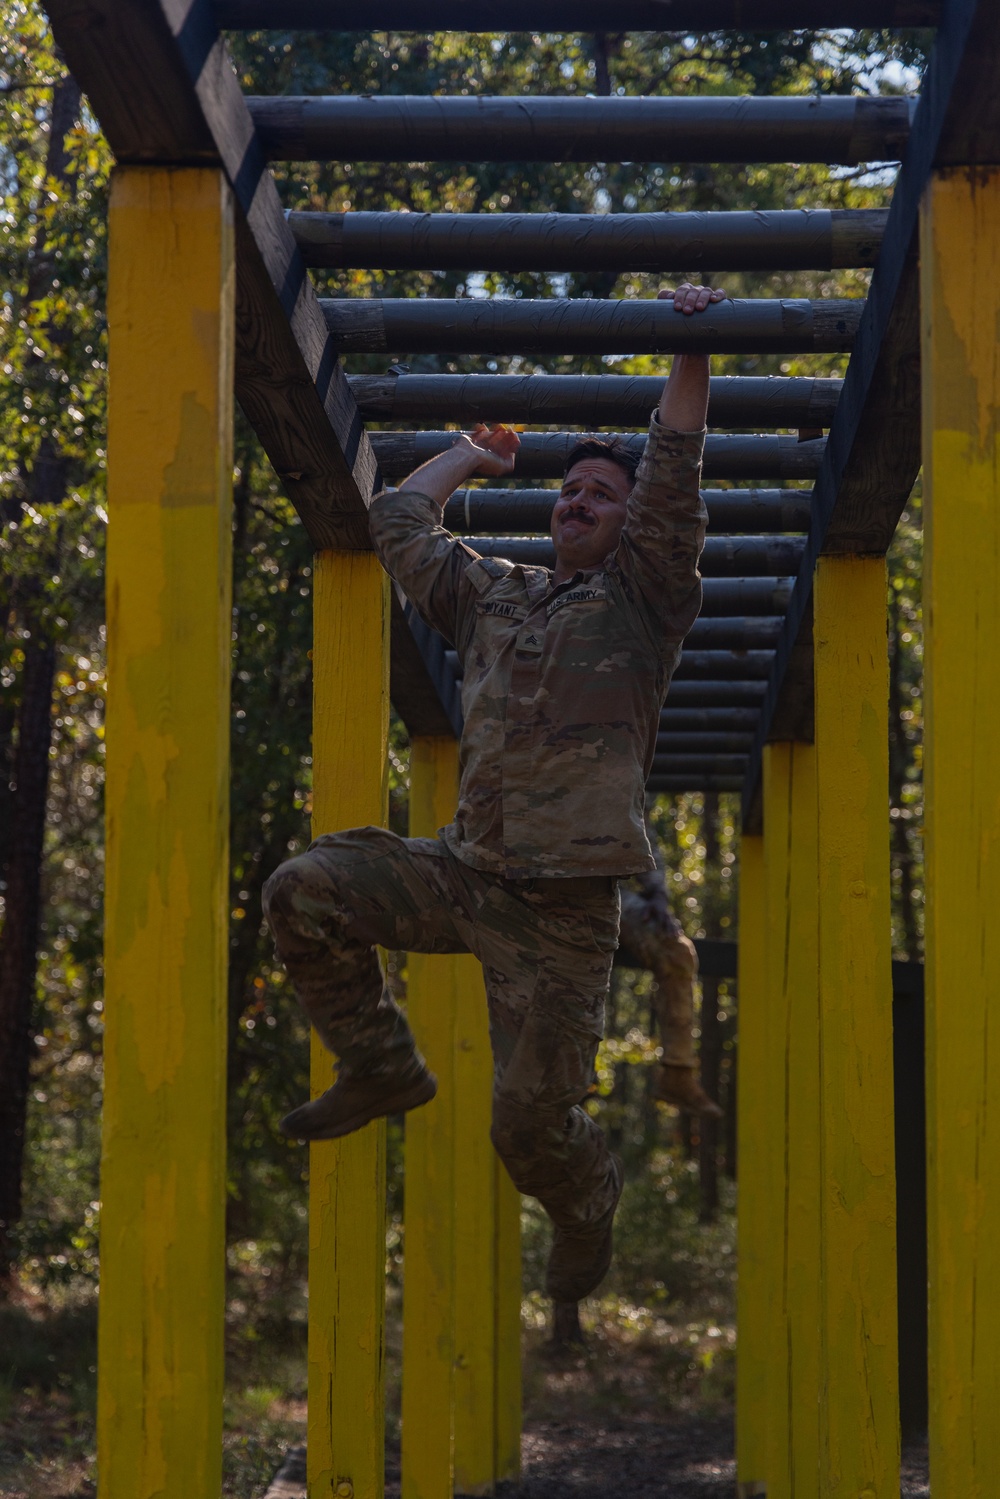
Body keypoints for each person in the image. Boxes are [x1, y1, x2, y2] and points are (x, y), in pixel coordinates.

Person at [263, 281, 727, 1310]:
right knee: (304, 887)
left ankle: (586, 1198)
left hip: (565, 912)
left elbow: (676, 475)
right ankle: (382, 1063)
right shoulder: (497, 592)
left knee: (526, 1125)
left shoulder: (644, 599)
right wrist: (474, 455)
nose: (580, 504)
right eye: (570, 493)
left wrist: (693, 343)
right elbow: (397, 519)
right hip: (463, 873)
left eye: (601, 496)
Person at [618, 797, 722, 1117]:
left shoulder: (619, 758)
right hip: (542, 883)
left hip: (610, 893)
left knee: (676, 951)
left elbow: (638, 826)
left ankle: (678, 1072)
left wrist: (657, 892)